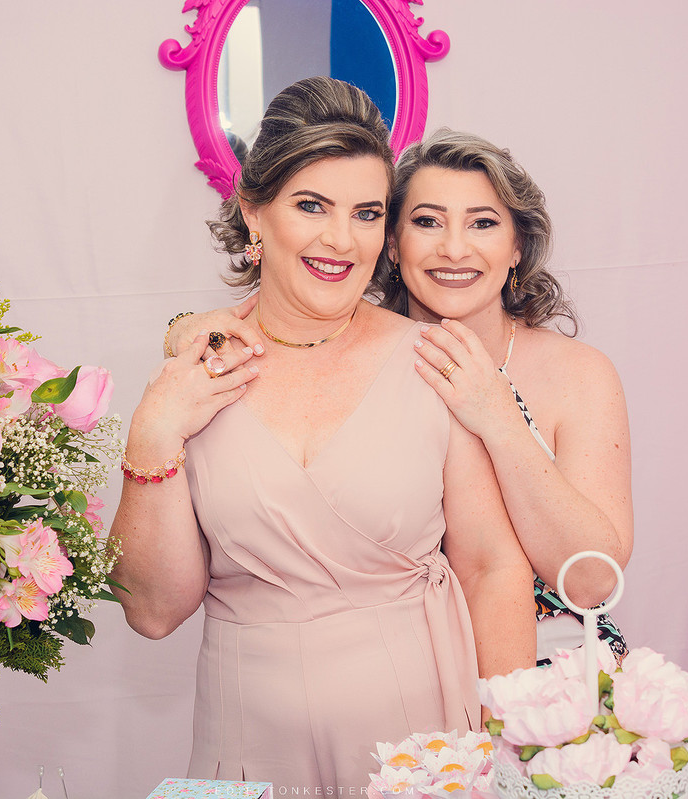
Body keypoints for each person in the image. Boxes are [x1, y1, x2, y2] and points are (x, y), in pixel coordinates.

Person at [110, 81, 534, 794]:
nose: (342, 240)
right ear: (254, 212)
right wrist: (152, 435)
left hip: (420, 747)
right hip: (248, 745)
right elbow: (152, 612)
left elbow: (493, 568)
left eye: (366, 213)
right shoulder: (198, 372)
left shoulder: (434, 361)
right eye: (312, 206)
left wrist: (510, 753)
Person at [167, 129, 633, 665]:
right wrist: (182, 329)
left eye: (483, 223)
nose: (453, 248)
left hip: (556, 672)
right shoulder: (364, 356)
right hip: (403, 672)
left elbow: (592, 580)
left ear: (517, 247)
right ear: (392, 242)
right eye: (427, 222)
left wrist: (498, 416)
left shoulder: (578, 374)